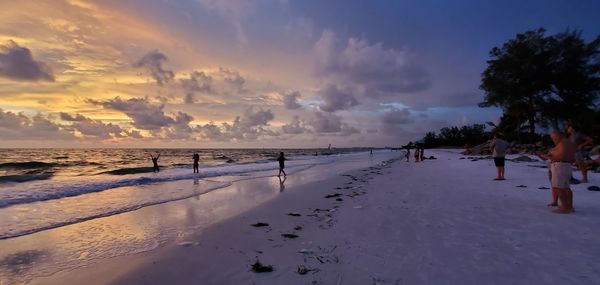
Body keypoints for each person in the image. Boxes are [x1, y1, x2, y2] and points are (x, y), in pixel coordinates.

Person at [545, 131, 576, 214]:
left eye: (554, 137)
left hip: (560, 166)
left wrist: (550, 157)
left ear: (558, 136)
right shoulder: (570, 143)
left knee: (558, 187)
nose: (553, 139)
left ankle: (565, 207)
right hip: (567, 165)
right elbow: (572, 156)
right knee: (566, 187)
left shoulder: (562, 143)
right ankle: (570, 206)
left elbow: (561, 156)